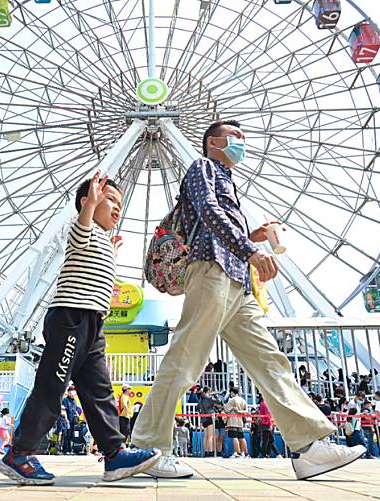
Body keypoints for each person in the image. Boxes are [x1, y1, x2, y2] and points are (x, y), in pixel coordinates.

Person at [133, 122, 364, 480]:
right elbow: (209, 211)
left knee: (272, 361)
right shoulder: (204, 168)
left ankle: (310, 447)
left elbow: (218, 220)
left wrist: (248, 237)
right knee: (186, 358)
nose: (242, 144)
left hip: (238, 284)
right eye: (235, 138)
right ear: (213, 141)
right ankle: (149, 447)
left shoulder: (228, 181)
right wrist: (249, 248)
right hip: (211, 271)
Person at [0, 173, 161, 485]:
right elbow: (82, 228)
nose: (117, 208)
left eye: (120, 204)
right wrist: (91, 203)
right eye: (110, 200)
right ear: (88, 201)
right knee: (52, 386)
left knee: (100, 391)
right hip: (70, 317)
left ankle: (114, 454)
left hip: (93, 324)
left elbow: (99, 277)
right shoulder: (81, 228)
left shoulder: (102, 240)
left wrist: (112, 253)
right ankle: (19, 453)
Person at [224, 388, 249, 458]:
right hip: (240, 421)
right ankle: (246, 454)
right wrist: (240, 412)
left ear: (232, 392)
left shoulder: (232, 400)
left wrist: (232, 409)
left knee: (234, 437)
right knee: (241, 437)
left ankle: (237, 453)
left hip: (232, 421)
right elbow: (246, 411)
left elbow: (226, 409)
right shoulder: (243, 400)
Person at [196, 386, 216, 457]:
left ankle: (206, 451)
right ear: (208, 391)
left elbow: (197, 408)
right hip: (209, 417)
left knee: (206, 436)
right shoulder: (209, 398)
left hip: (203, 419)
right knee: (210, 436)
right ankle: (210, 452)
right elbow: (217, 402)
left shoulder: (200, 399)